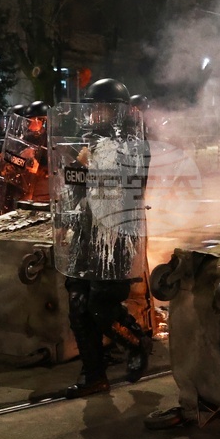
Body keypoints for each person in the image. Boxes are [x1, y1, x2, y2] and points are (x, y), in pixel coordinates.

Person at [62, 79, 151, 398]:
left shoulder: (134, 145)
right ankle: (93, 375)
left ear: (117, 112)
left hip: (113, 240)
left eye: (101, 109)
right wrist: (66, 212)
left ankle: (135, 341)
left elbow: (131, 189)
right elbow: (74, 182)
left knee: (101, 307)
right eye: (92, 109)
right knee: (77, 306)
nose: (95, 115)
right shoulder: (90, 144)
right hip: (86, 236)